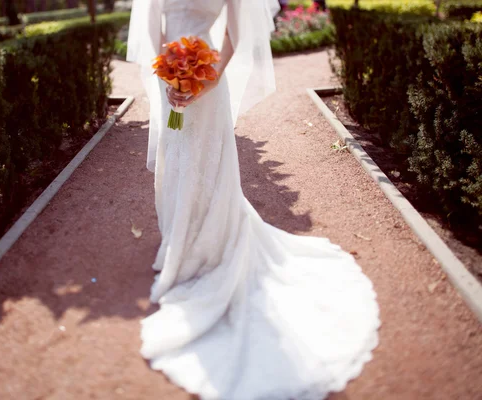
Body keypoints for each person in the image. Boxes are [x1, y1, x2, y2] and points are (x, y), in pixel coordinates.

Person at [127, 1, 380, 399]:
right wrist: (171, 75)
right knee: (178, 158)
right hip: (170, 73)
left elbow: (235, 36)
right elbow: (153, 29)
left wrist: (205, 80)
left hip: (209, 73)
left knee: (206, 160)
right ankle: (181, 239)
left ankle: (208, 242)